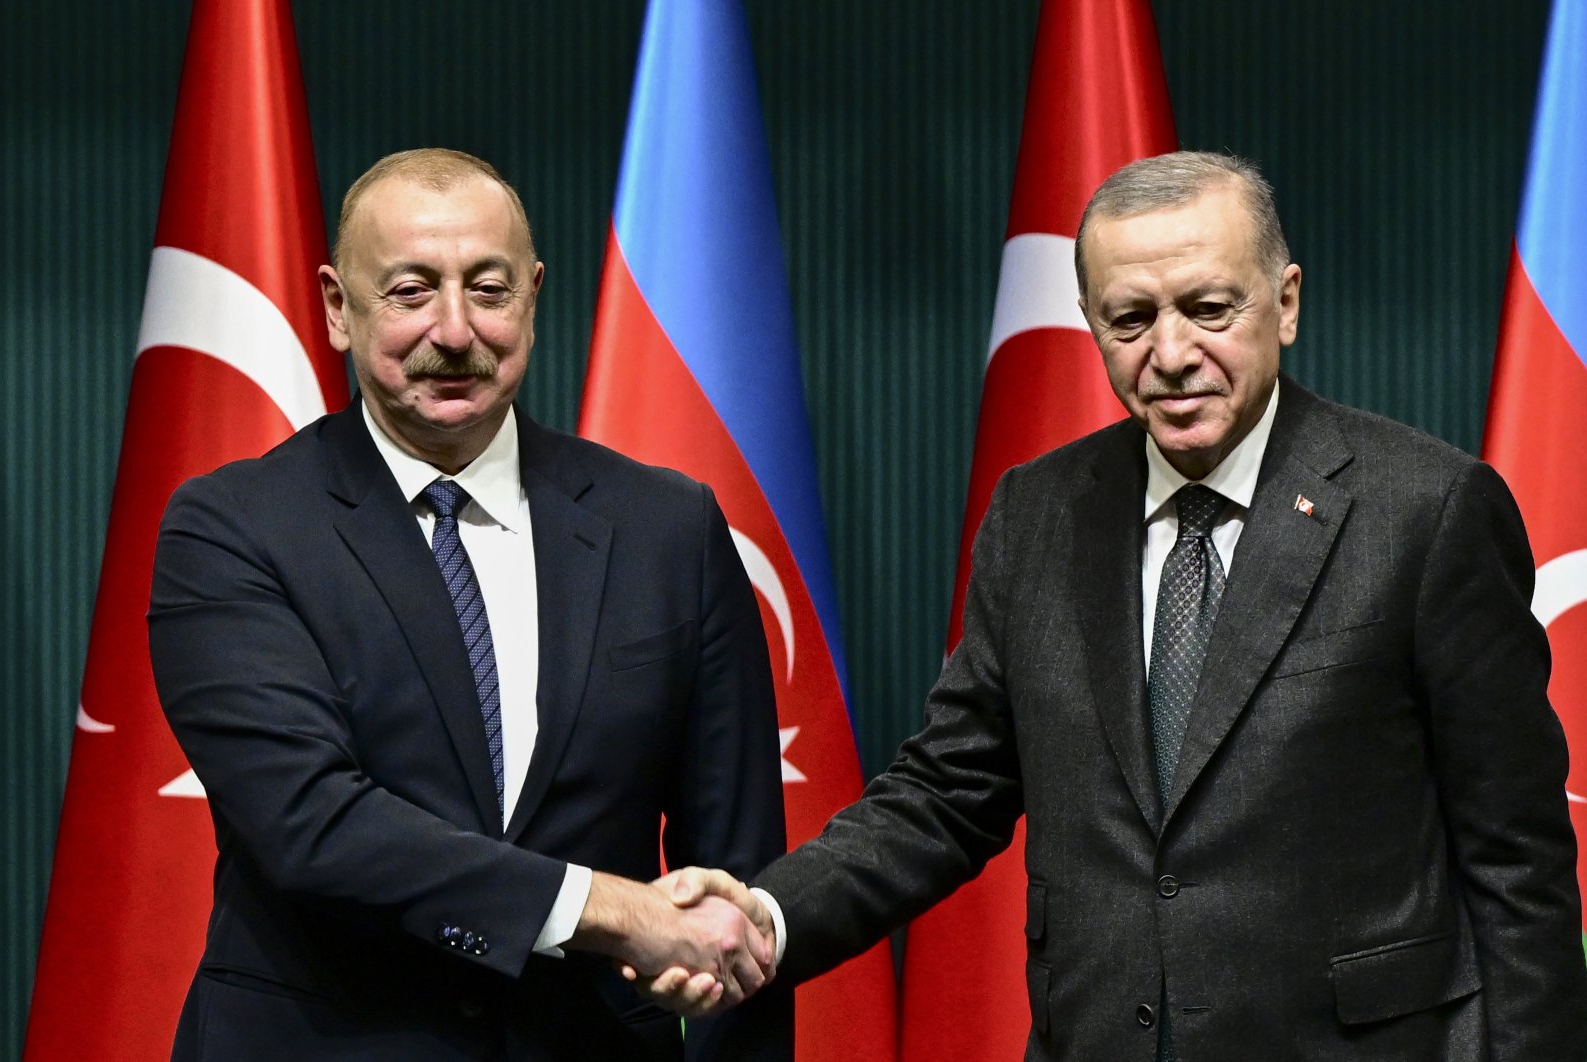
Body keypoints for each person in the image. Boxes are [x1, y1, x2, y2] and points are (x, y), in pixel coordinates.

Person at [649, 151, 1587, 1059]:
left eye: (1209, 309)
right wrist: (766, 916)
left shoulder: (1426, 508)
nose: (1171, 353)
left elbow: (1517, 860)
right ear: (1092, 326)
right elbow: (947, 793)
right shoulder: (1038, 513)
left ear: (1287, 303)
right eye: (1130, 318)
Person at [148, 148, 790, 1061]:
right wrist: (607, 908)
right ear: (338, 306)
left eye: (488, 290)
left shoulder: (668, 528)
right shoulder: (234, 529)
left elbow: (734, 890)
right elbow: (309, 821)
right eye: (411, 291)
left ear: (532, 294)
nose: (455, 331)